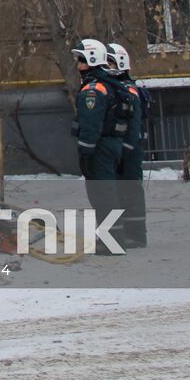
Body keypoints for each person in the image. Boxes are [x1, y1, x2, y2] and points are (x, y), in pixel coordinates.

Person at [70, 38, 133, 253]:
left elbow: (91, 125)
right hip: (110, 144)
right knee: (106, 193)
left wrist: (85, 152)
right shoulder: (107, 84)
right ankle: (110, 238)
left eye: (81, 60)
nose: (78, 65)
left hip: (100, 148)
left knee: (102, 195)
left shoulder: (93, 90)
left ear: (91, 60)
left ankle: (111, 242)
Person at [107, 42, 147, 248]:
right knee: (118, 191)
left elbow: (134, 122)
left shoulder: (129, 89)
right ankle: (122, 232)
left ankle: (136, 235)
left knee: (130, 190)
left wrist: (127, 148)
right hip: (119, 147)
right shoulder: (114, 88)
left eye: (110, 63)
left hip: (129, 149)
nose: (107, 67)